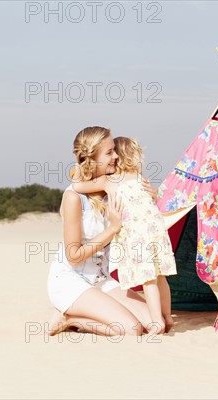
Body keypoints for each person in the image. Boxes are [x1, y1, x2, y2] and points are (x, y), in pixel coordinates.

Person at [47, 126, 154, 336]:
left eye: (114, 150)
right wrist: (112, 228)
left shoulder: (112, 185)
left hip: (101, 279)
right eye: (109, 153)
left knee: (152, 322)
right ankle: (69, 318)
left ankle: (89, 309)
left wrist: (152, 195)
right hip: (70, 280)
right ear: (92, 159)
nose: (116, 156)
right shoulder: (73, 198)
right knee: (131, 329)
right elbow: (73, 256)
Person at [72, 136, 177, 334]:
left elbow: (77, 185)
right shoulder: (139, 177)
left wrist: (81, 162)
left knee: (149, 279)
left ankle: (157, 321)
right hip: (157, 233)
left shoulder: (111, 181)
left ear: (117, 157)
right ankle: (167, 316)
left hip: (138, 236)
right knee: (161, 277)